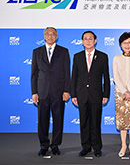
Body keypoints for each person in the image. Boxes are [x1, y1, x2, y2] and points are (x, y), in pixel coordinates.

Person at [31, 27, 70, 156]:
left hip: (58, 92)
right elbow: (34, 74)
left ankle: (55, 145)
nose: (50, 36)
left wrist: (66, 90)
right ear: (44, 36)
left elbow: (66, 73)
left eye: (53, 34)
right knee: (42, 120)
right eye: (47, 34)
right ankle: (43, 145)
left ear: (57, 36)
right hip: (42, 92)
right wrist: (34, 92)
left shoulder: (64, 51)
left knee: (58, 119)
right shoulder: (37, 52)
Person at [71, 31, 110, 157]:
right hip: (82, 94)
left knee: (95, 122)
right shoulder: (77, 56)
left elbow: (106, 78)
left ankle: (97, 147)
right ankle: (86, 147)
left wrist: (106, 95)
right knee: (84, 122)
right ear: (82, 41)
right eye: (85, 39)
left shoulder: (103, 56)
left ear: (95, 40)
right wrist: (73, 94)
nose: (88, 41)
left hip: (96, 95)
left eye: (90, 38)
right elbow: (74, 77)